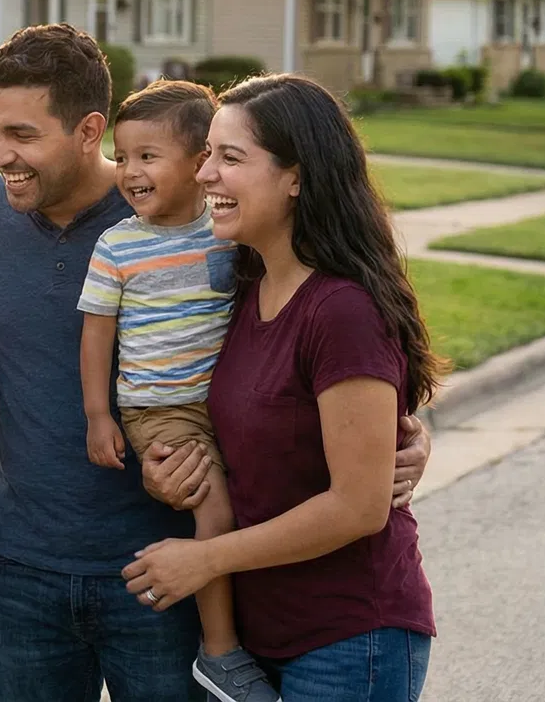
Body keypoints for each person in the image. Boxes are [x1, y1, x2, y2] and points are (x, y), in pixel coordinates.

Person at [0, 24, 432, 702]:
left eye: (21, 134)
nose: (0, 153)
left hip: (167, 562)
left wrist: (403, 433)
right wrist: (43, 433)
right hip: (27, 562)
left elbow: (341, 332)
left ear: (88, 131)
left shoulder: (198, 217)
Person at [123, 74, 443, 700]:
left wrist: (205, 559)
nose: (204, 174)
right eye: (208, 153)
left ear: (296, 177)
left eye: (230, 158)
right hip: (263, 633)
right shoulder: (248, 282)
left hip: (350, 638)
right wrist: (168, 467)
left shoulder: (342, 311)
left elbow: (357, 506)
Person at [77, 81, 275, 702]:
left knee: (254, 502)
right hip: (159, 408)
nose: (129, 171)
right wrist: (96, 415)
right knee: (213, 507)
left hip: (221, 403)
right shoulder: (118, 246)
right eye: (123, 156)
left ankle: (260, 630)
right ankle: (219, 651)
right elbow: (96, 335)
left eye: (146, 156)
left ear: (200, 165)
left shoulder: (226, 234)